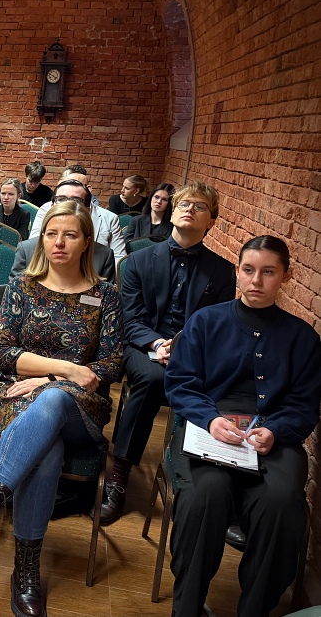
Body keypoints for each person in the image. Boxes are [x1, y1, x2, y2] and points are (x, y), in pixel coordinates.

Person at [0, 200, 122, 617]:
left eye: (70, 235)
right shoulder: (22, 287)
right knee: (47, 451)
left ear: (87, 242)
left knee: (54, 399)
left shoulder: (106, 295)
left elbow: (110, 365)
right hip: (13, 396)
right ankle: (25, 571)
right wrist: (65, 369)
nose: (59, 243)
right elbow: (3, 355)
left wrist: (50, 380)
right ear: (41, 239)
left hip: (79, 407)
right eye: (51, 234)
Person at [165, 236, 321, 617]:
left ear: (286, 276)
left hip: (273, 439)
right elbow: (181, 384)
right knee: (205, 495)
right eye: (248, 270)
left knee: (281, 503)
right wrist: (210, 419)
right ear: (237, 271)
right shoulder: (206, 322)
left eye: (268, 272)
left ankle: (255, 609)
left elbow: (304, 406)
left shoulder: (303, 338)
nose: (256, 281)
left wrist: (276, 431)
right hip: (208, 428)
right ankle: (187, 607)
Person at [101, 181, 235, 524]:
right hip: (142, 345)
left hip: (194, 352)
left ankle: (197, 485)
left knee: (223, 384)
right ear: (173, 213)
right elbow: (130, 319)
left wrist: (185, 348)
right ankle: (119, 475)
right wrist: (158, 344)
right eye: (184, 204)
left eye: (199, 206)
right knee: (152, 378)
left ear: (211, 221)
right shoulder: (137, 261)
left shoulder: (222, 271)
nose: (189, 209)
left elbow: (218, 325)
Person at [30, 173, 127, 259]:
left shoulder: (110, 218)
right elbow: (34, 245)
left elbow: (119, 257)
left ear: (88, 189)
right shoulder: (46, 209)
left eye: (75, 199)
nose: (67, 204)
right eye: (62, 198)